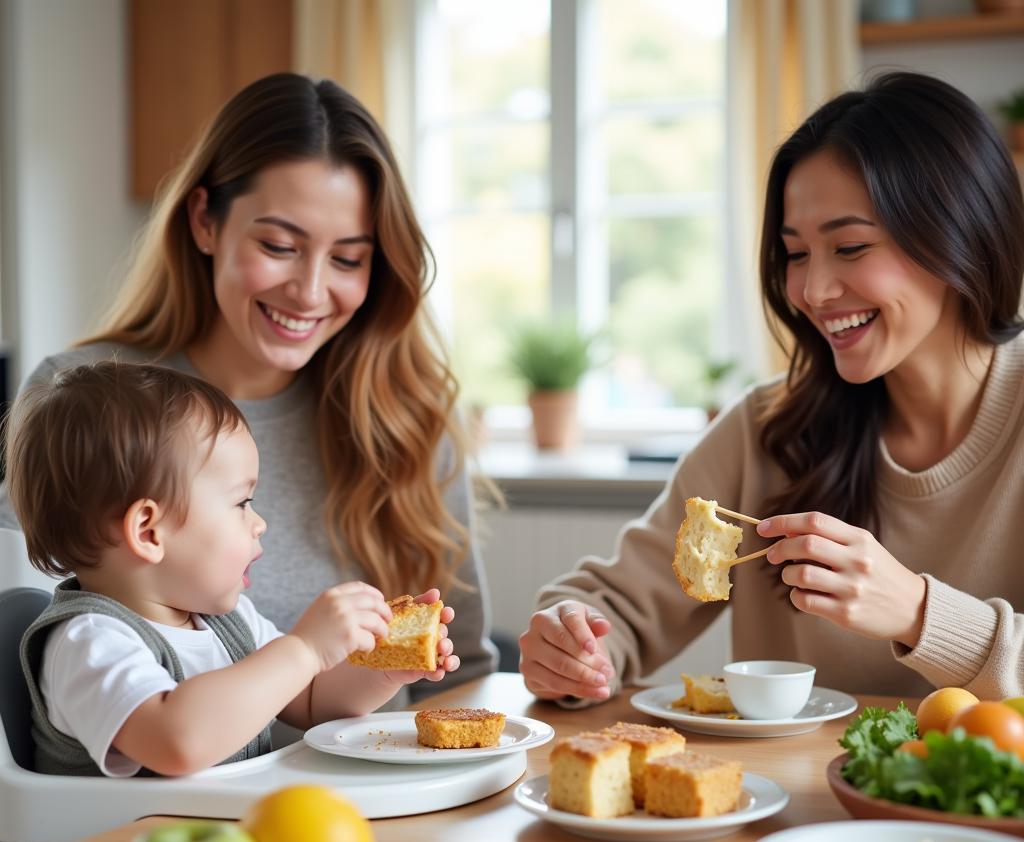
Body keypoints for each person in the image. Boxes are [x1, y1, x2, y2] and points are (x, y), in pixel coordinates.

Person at [519, 71, 1024, 706]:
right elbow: (616, 605)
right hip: (794, 804)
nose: (813, 291)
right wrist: (573, 645)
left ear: (958, 234)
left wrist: (921, 614)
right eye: (795, 253)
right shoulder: (767, 428)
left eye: (849, 246)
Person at [0, 73, 497, 701]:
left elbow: (463, 678)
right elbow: (19, 670)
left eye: (348, 259)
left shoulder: (409, 419)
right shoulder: (77, 402)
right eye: (279, 245)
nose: (311, 291)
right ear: (205, 221)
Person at [5, 361, 459, 777]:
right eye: (242, 502)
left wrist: (382, 669)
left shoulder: (228, 621)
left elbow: (312, 700)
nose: (260, 523)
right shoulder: (89, 641)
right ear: (149, 531)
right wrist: (305, 649)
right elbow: (176, 741)